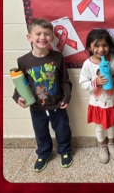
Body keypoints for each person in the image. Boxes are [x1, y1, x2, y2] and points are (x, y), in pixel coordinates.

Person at [12, 18, 73, 172]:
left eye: (47, 34)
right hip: (36, 107)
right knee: (40, 131)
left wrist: (66, 97)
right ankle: (44, 153)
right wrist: (17, 97)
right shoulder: (23, 61)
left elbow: (65, 80)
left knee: (62, 129)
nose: (43, 37)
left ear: (52, 38)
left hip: (57, 104)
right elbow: (21, 83)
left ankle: (65, 151)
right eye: (38, 34)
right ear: (29, 37)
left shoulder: (57, 58)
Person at [79, 29, 114, 164]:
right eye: (96, 46)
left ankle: (111, 144)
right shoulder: (88, 64)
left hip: (112, 100)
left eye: (104, 45)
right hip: (97, 102)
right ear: (89, 47)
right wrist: (96, 82)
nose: (101, 49)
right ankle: (102, 146)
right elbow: (82, 83)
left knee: (111, 124)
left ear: (109, 46)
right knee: (99, 126)